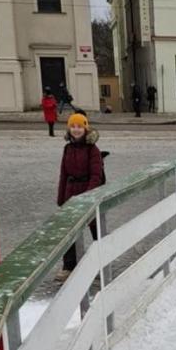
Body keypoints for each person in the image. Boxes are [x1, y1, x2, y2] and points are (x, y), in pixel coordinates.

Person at [56, 112, 106, 278]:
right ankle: (69, 266)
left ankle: (102, 262)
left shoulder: (93, 150)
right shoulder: (67, 148)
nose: (76, 130)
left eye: (79, 126)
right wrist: (61, 198)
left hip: (89, 193)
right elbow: (63, 174)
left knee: (96, 229)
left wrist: (88, 196)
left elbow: (96, 175)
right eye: (73, 126)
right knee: (69, 231)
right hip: (71, 193)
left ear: (85, 128)